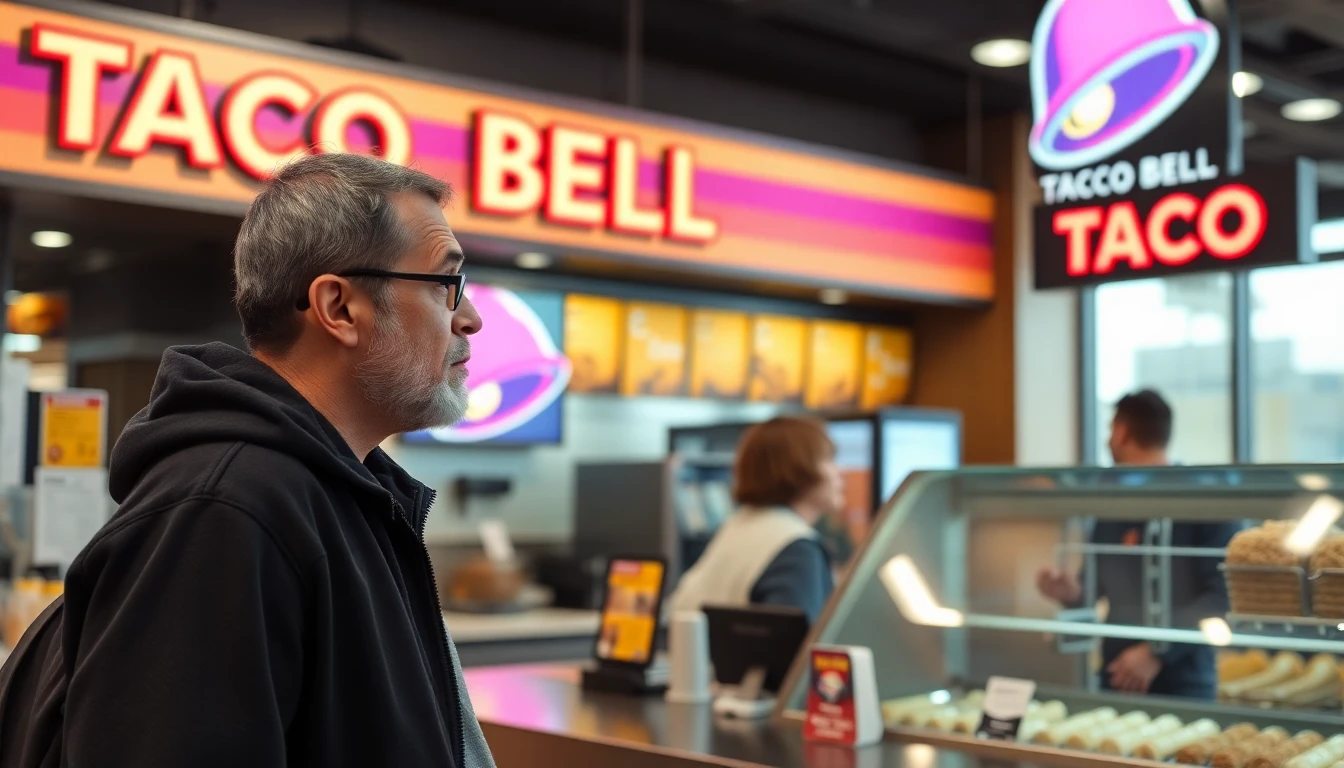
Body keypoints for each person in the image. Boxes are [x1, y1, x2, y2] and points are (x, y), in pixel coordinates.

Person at [0, 153, 494, 767]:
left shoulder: (349, 497)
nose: (469, 319)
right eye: (447, 285)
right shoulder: (225, 511)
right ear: (339, 308)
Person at [1036, 389, 1239, 700]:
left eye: (1110, 430)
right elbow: (1093, 588)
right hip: (1116, 678)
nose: (1108, 440)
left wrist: (1156, 652)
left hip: (1185, 684)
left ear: (1121, 432)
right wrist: (1072, 593)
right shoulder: (1115, 503)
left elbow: (1221, 597)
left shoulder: (1204, 500)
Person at [670, 416, 843, 624]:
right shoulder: (796, 548)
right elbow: (794, 649)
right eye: (829, 460)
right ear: (798, 468)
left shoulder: (741, 526)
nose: (839, 472)